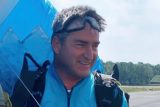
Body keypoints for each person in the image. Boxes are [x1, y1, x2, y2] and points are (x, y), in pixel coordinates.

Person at [24, 5, 128, 107]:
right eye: (81, 45)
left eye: (95, 46)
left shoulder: (111, 96)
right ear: (57, 44)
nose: (90, 55)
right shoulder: (28, 89)